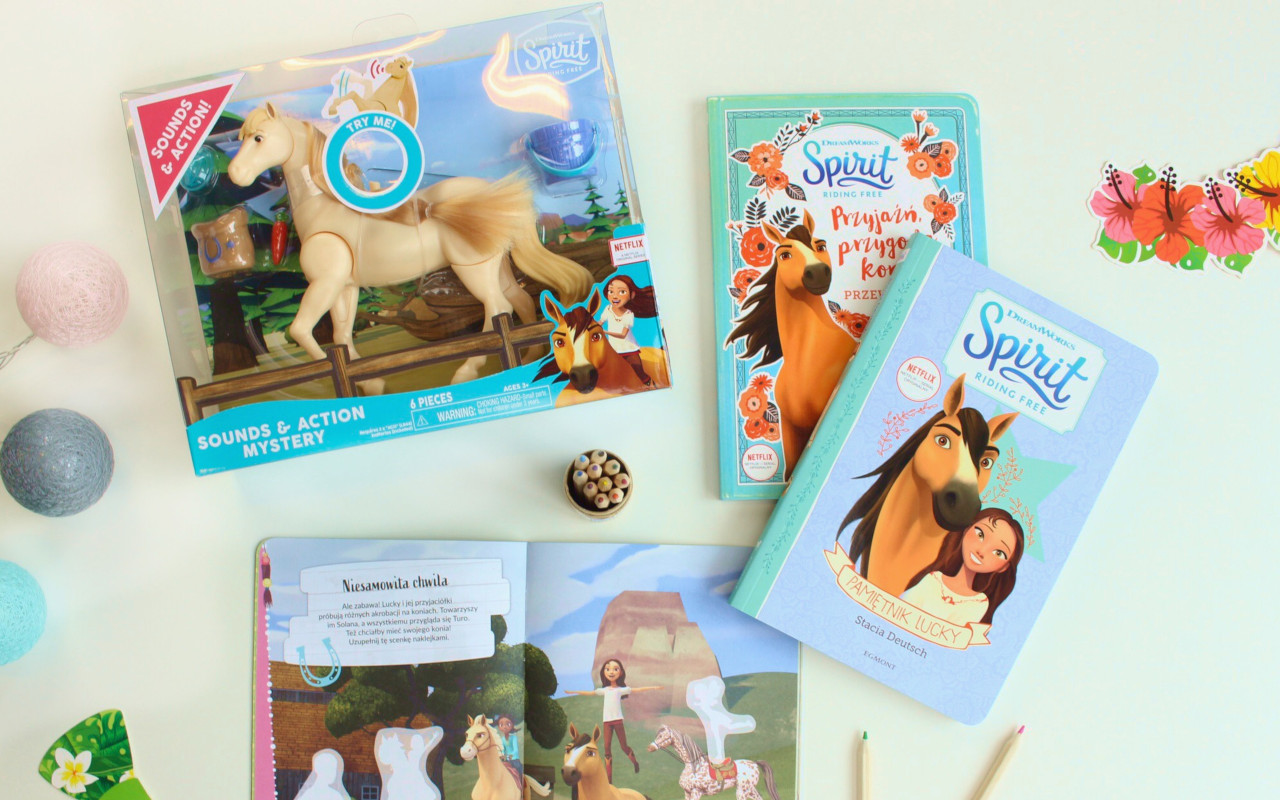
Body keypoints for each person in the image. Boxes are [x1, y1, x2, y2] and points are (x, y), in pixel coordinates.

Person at [900, 508, 1025, 627]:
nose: (981, 551)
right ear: (967, 529)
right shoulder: (933, 580)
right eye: (980, 534)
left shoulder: (978, 604)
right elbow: (899, 609)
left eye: (998, 553)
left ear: (1004, 567)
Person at [566, 658, 662, 781]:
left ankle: (635, 763)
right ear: (604, 672)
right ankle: (609, 779)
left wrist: (654, 687)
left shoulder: (620, 690)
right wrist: (573, 692)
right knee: (607, 749)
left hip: (617, 721)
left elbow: (637, 689)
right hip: (607, 722)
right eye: (608, 669)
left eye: (615, 669)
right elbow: (589, 693)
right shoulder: (604, 690)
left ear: (620, 672)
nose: (611, 672)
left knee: (624, 747)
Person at [599, 274, 658, 386]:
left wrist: (604, 332)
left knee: (641, 374)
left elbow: (623, 335)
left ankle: (651, 385)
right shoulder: (608, 309)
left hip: (628, 349)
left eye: (622, 292)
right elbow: (600, 322)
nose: (615, 296)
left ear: (632, 295)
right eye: (611, 291)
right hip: (613, 349)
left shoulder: (629, 314)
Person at [495, 714, 522, 780]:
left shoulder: (513, 738)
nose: (504, 727)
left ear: (512, 725)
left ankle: (520, 782)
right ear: (499, 727)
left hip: (514, 760)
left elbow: (515, 750)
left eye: (508, 724)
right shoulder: (502, 739)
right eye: (501, 725)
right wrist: (501, 755)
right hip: (506, 760)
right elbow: (503, 750)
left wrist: (509, 756)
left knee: (519, 770)